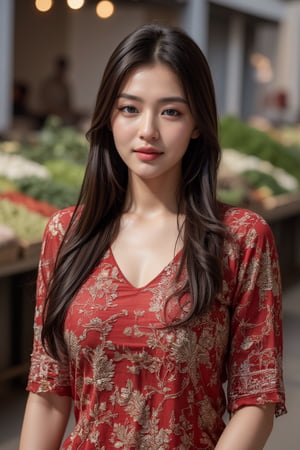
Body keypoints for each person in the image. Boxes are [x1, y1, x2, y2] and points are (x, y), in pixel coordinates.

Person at [19, 24, 286, 449]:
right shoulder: (67, 233)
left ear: (197, 123)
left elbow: (257, 399)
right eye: (129, 109)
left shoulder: (241, 238)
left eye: (171, 112)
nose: (148, 130)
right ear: (108, 116)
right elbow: (49, 391)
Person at [38, 56, 74, 125]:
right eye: (61, 69)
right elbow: (44, 104)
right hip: (48, 117)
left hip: (63, 117)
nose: (63, 72)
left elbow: (68, 105)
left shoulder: (65, 86)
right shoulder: (48, 84)